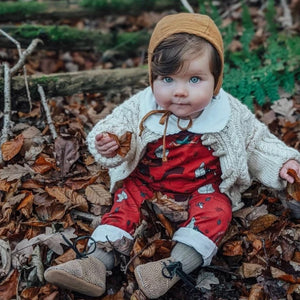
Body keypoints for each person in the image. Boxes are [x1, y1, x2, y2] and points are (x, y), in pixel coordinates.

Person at [44, 13, 300, 299]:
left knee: (218, 212)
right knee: (124, 204)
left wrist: (282, 162)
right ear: (152, 77)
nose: (179, 92)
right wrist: (112, 143)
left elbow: (256, 142)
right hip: (147, 183)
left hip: (202, 189)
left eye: (194, 79)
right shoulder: (141, 106)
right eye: (167, 79)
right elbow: (115, 126)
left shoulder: (228, 113)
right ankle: (94, 263)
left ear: (216, 81)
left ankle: (172, 267)